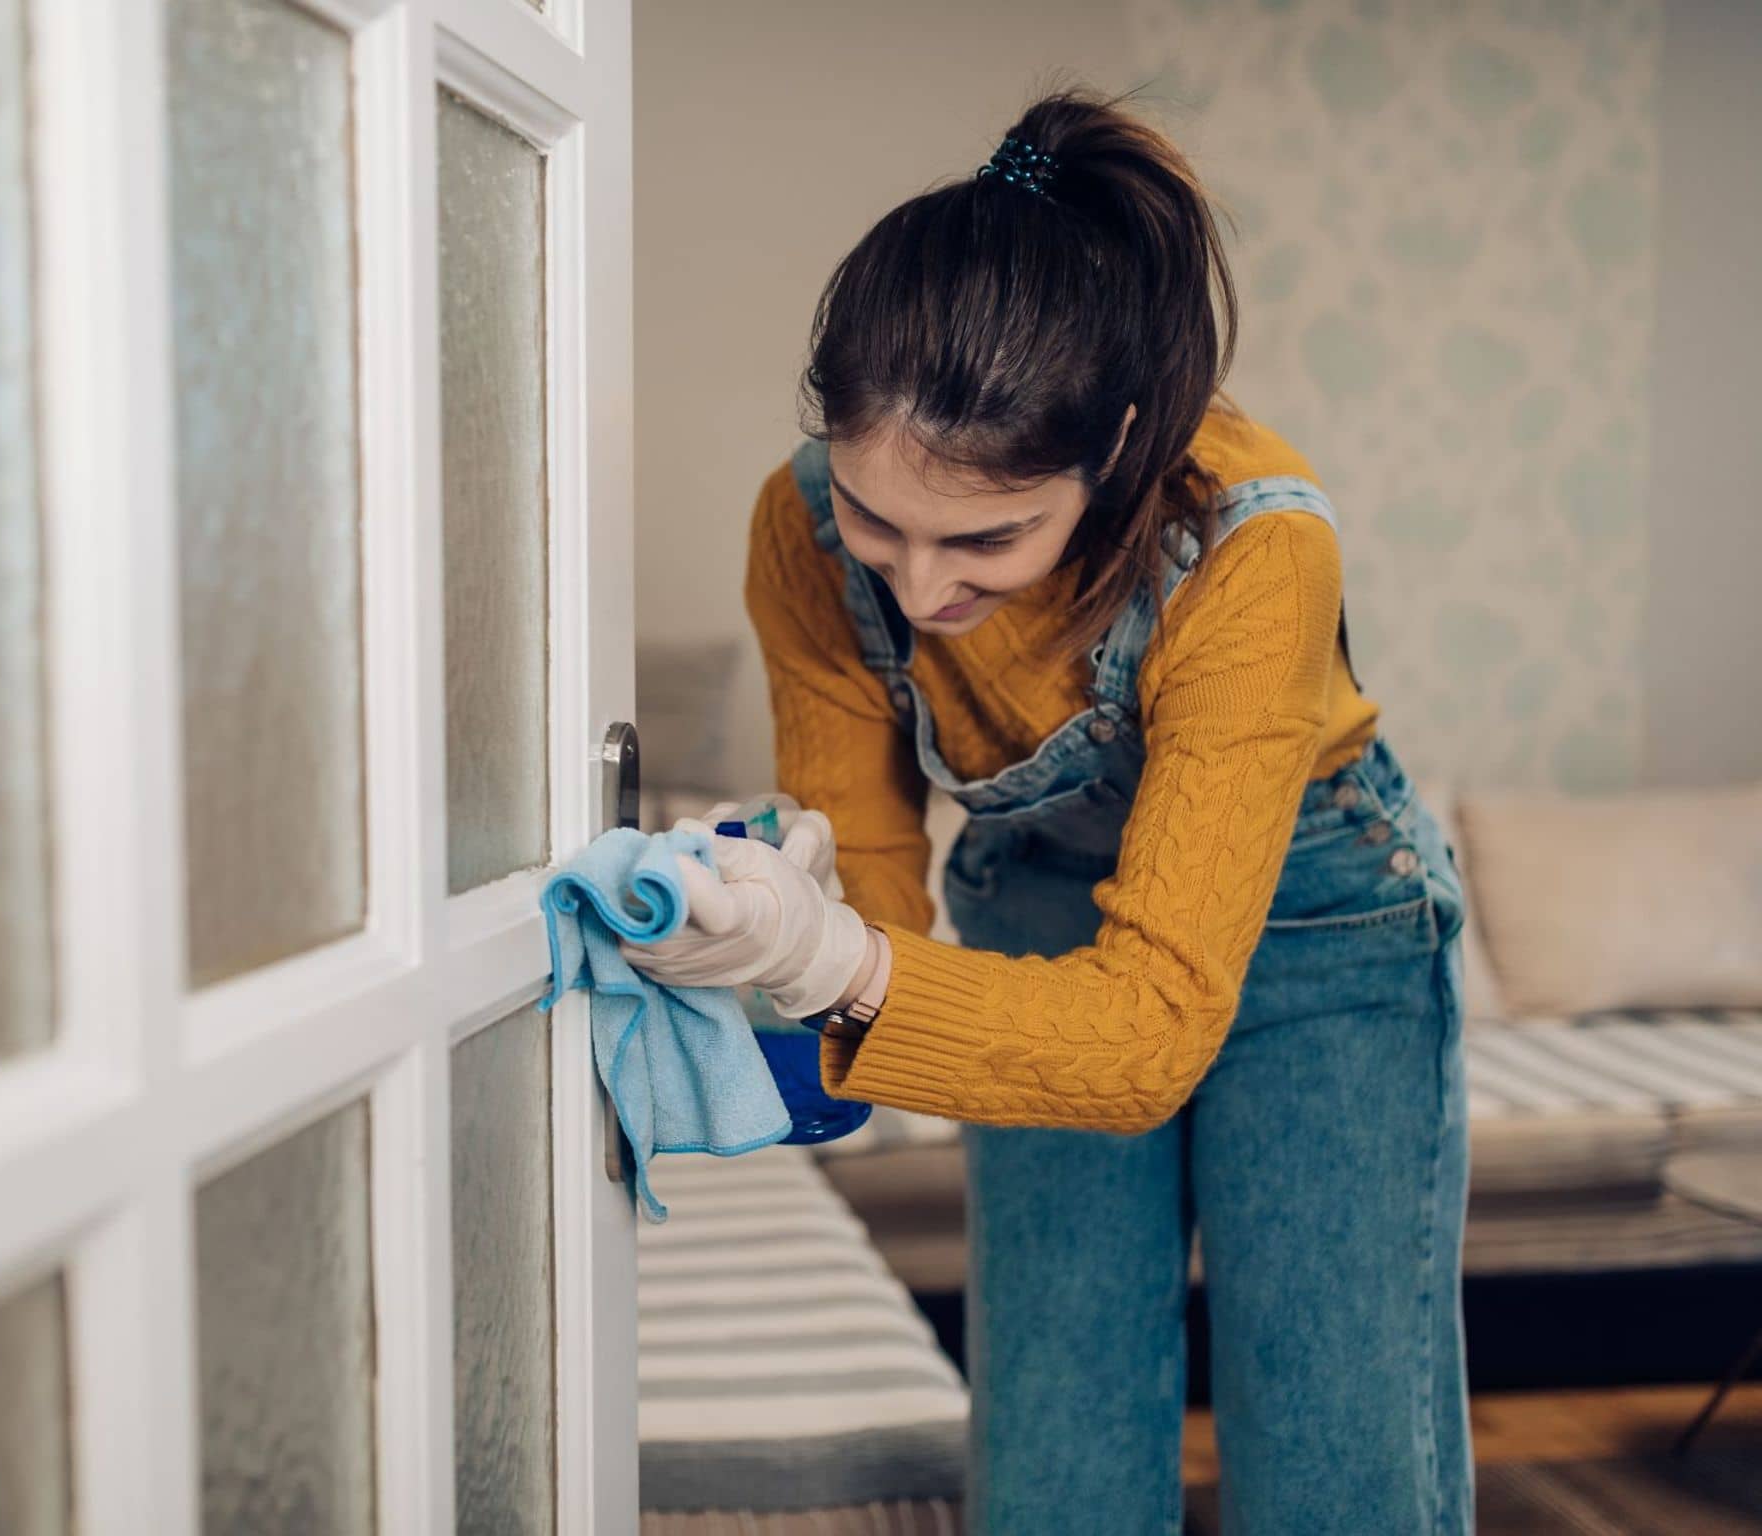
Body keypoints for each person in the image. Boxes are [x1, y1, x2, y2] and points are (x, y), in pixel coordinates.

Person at [623, 89, 1474, 1535]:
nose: (919, 588)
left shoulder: (1253, 550)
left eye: (989, 538)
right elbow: (872, 888)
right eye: (881, 517)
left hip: (1318, 923)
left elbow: (1143, 1036)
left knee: (1335, 1445)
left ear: (1123, 450)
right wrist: (790, 935)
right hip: (1028, 898)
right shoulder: (803, 529)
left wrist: (846, 968)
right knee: (1054, 1432)